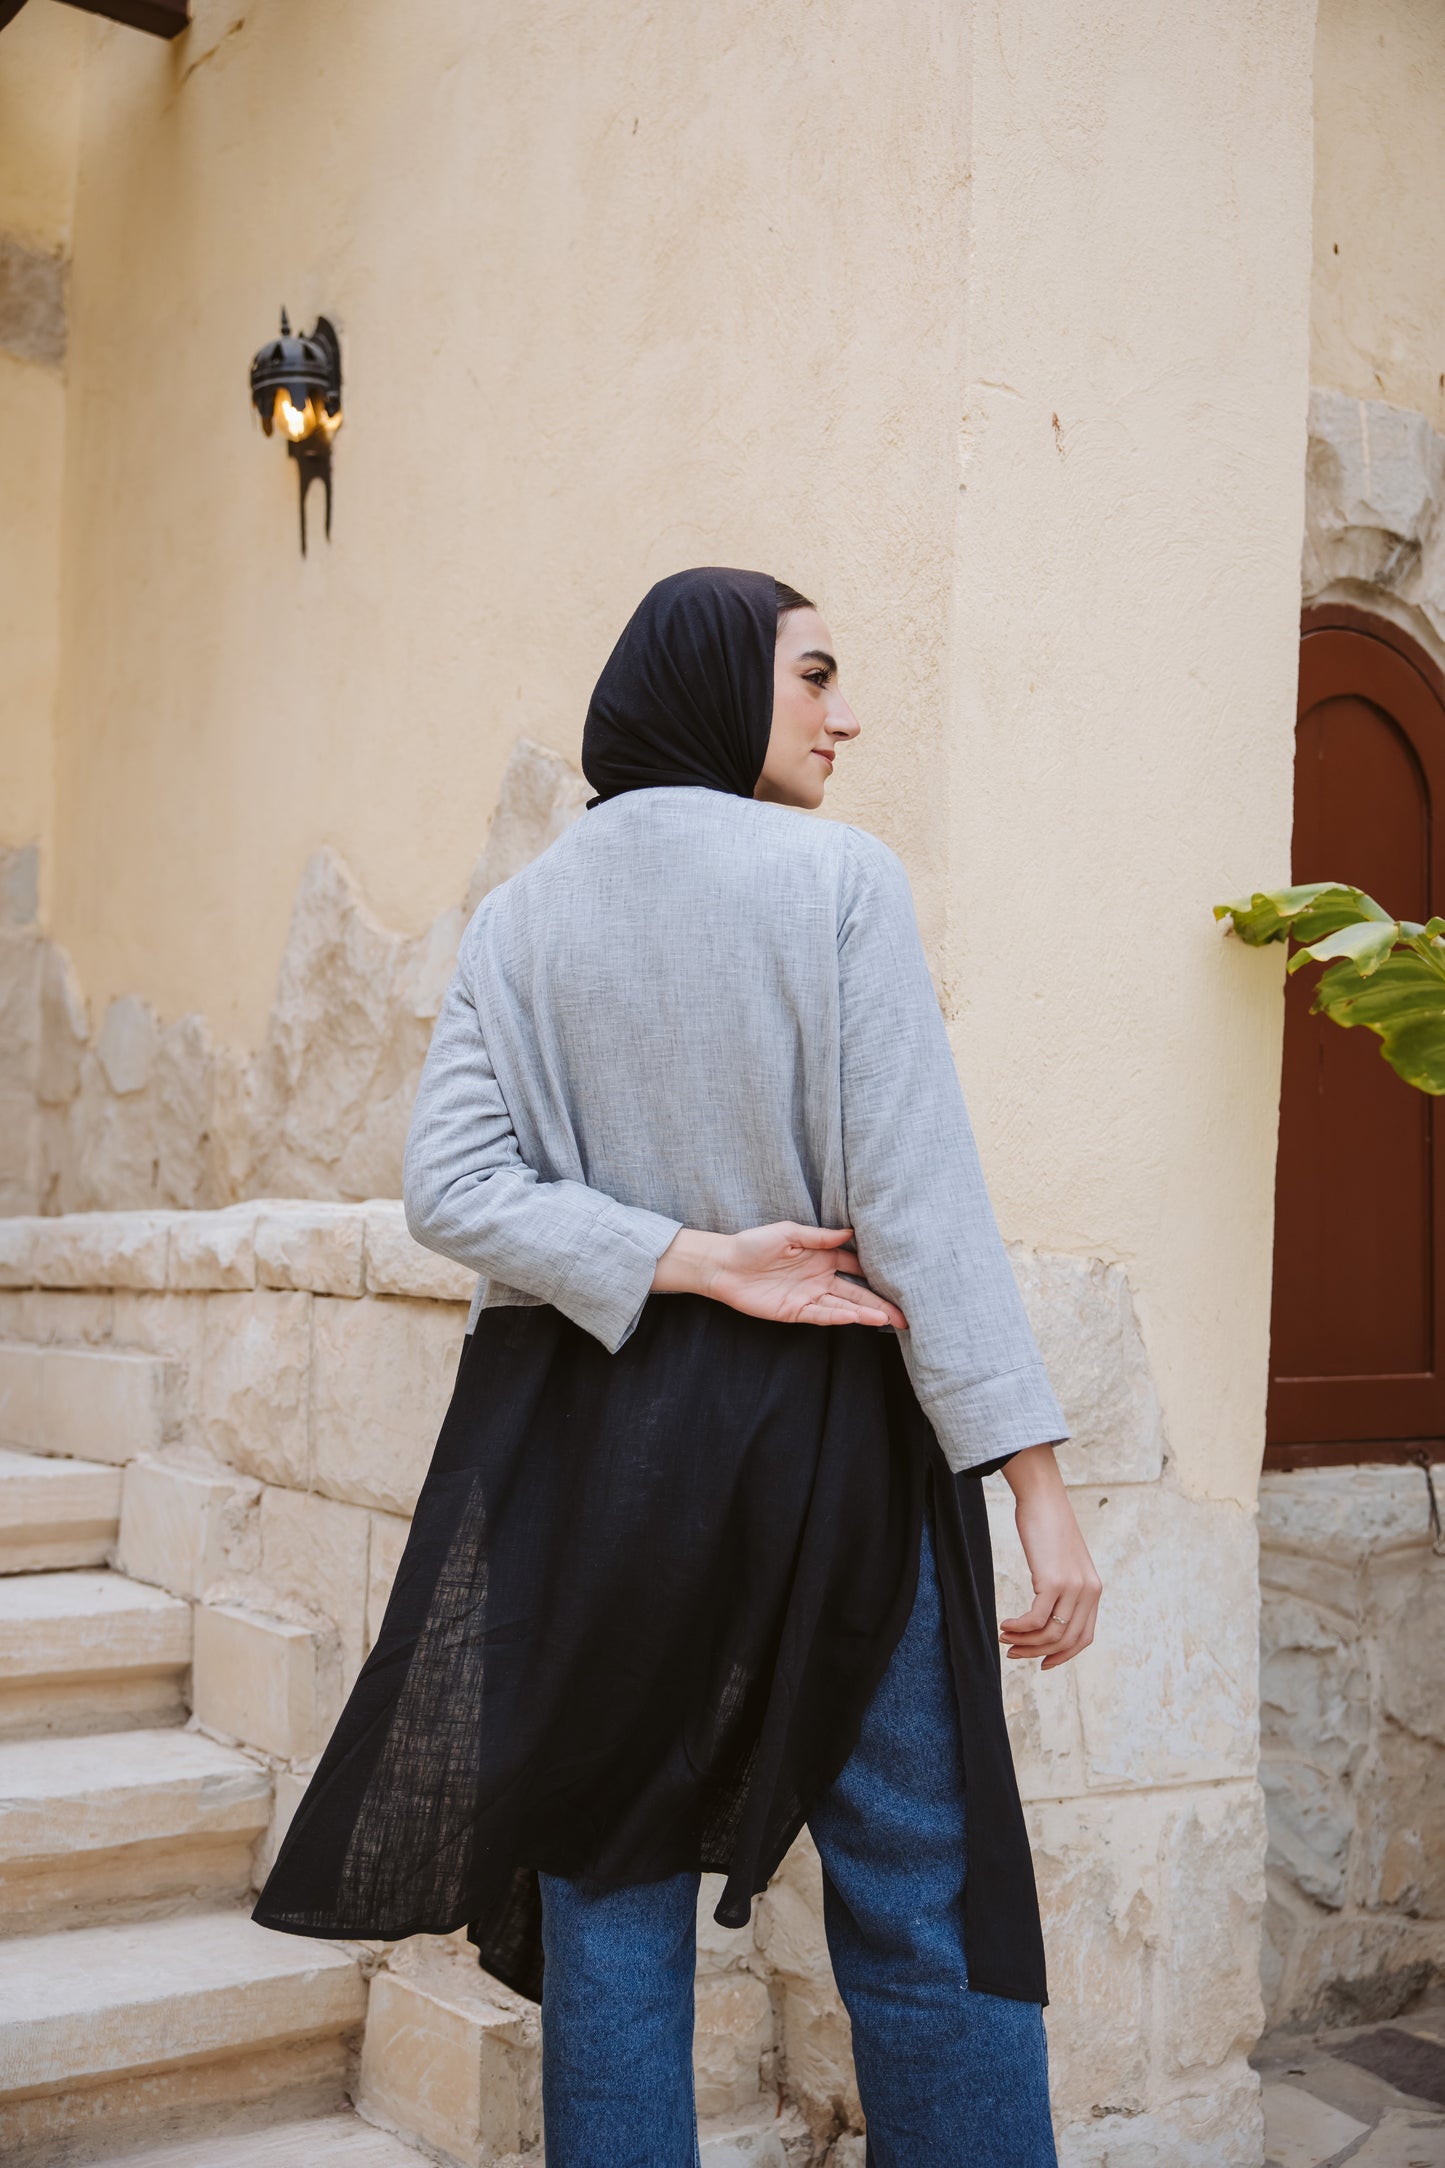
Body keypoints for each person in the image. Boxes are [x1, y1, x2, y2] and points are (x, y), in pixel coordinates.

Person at [254, 566, 1103, 2168]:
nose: (845, 714)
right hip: (828, 1460)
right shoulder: (839, 881)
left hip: (597, 1469)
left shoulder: (520, 917)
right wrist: (1036, 1489)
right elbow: (919, 1208)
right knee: (919, 1898)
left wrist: (679, 1260)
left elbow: (452, 1187)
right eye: (815, 678)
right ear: (721, 684)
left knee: (609, 1908)